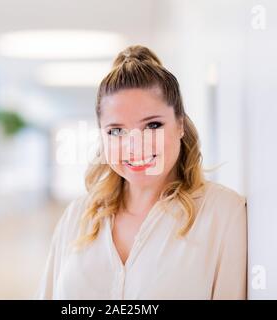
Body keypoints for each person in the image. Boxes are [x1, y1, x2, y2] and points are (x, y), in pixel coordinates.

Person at [36, 45, 247, 300]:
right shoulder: (77, 217)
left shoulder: (224, 214)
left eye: (152, 125)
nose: (134, 145)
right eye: (116, 130)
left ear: (180, 124)